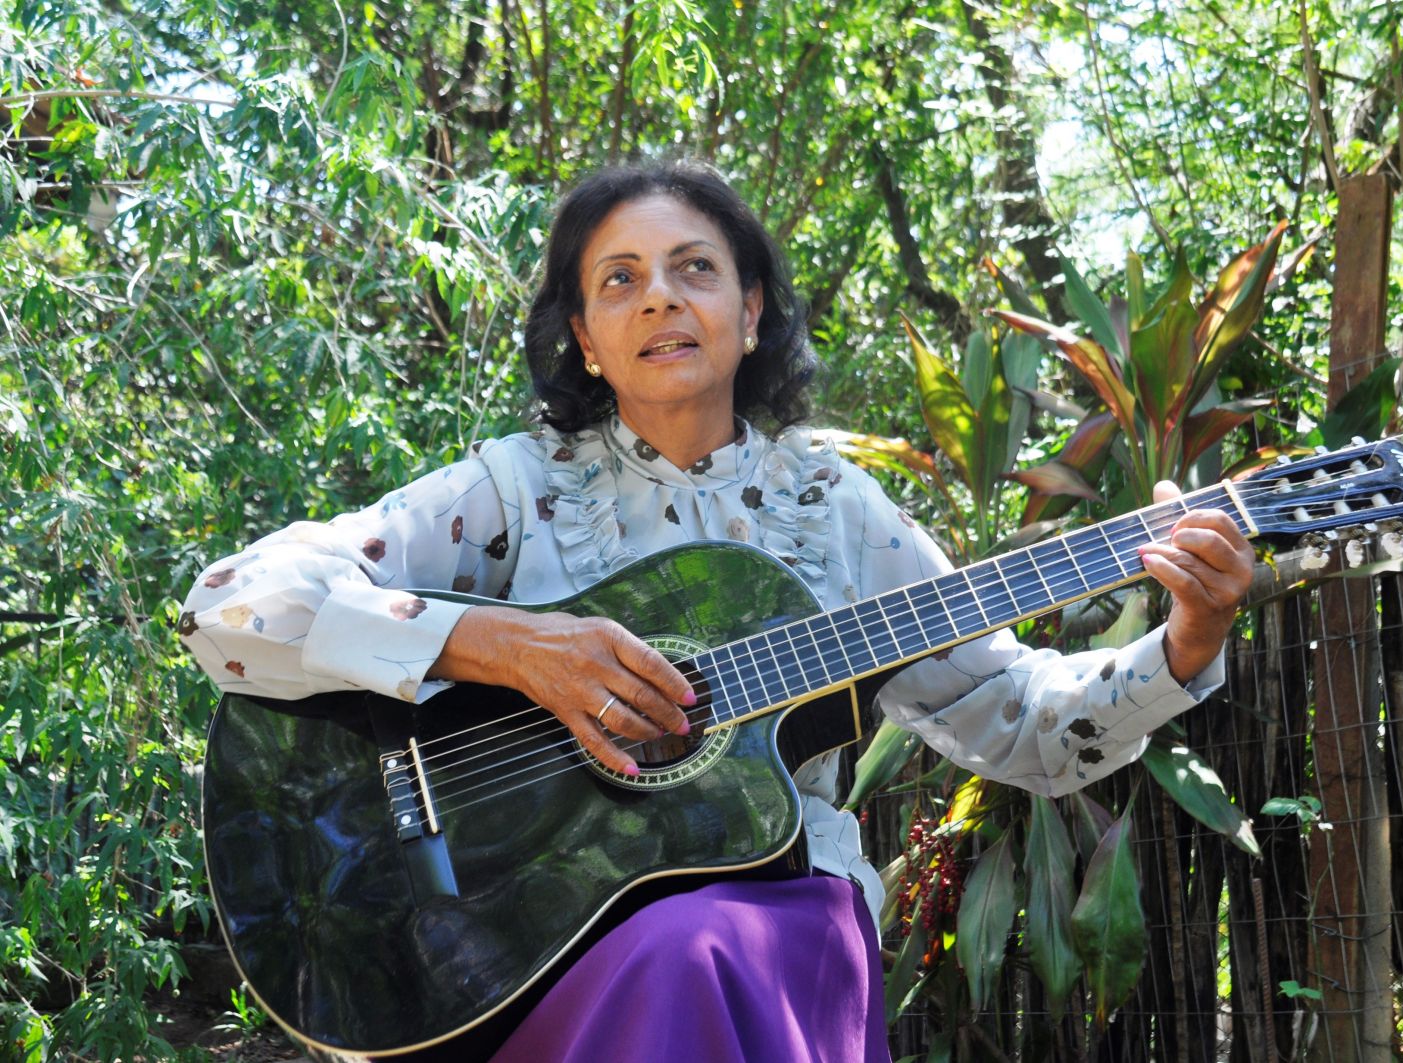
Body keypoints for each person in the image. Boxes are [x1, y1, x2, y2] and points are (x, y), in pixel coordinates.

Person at [179, 161, 1254, 1062]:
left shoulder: (836, 514)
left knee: (690, 948)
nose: (659, 298)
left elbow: (1019, 720)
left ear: (749, 315)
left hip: (773, 926)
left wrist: (1184, 640)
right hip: (525, 942)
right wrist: (501, 646)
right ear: (587, 338)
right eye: (620, 280)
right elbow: (229, 609)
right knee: (670, 949)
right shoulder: (510, 493)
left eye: (694, 270)